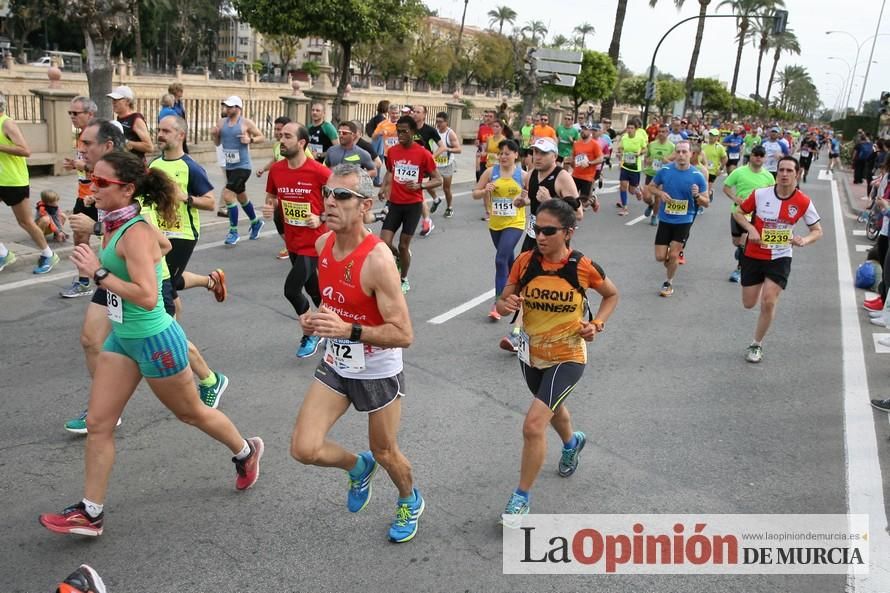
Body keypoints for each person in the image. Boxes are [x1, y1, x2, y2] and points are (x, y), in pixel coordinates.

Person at [39, 151, 263, 538]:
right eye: (93, 179)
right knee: (98, 423)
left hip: (155, 339)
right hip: (123, 338)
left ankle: (246, 452)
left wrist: (98, 272)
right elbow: (163, 244)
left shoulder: (133, 230)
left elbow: (145, 295)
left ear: (126, 189)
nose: (93, 188)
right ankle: (90, 514)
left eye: (101, 183)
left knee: (192, 413)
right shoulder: (119, 222)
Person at [290, 163, 423, 543]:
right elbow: (336, 304)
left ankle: (409, 498)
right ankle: (356, 466)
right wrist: (315, 320)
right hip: (336, 362)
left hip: (377, 370)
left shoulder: (378, 260)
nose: (330, 201)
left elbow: (404, 333)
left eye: (342, 196)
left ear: (364, 206)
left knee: (385, 451)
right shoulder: (323, 245)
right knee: (304, 448)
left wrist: (349, 330)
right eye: (328, 193)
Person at [495, 198, 618, 525]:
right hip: (532, 354)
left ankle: (521, 498)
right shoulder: (525, 261)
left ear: (568, 232)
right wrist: (506, 302)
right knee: (552, 409)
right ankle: (571, 442)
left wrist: (597, 325)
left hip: (568, 354)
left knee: (533, 422)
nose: (540, 236)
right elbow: (504, 295)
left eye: (548, 231)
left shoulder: (582, 266)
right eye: (536, 228)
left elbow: (612, 294)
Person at [733, 156, 822, 363]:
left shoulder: (803, 201)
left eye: (789, 171)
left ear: (797, 174)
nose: (784, 174)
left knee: (769, 301)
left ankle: (756, 344)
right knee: (748, 303)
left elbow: (817, 230)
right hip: (754, 254)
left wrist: (804, 240)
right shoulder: (760, 194)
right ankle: (759, 325)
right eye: (781, 170)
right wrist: (751, 227)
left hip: (780, 255)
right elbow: (739, 213)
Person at [262, 122, 331, 358]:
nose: (282, 140)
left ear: (302, 143)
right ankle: (333, 324)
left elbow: (341, 200)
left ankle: (311, 332)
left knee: (291, 290)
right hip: (292, 241)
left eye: (288, 136)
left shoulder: (319, 171)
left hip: (314, 242)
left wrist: (321, 216)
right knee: (313, 290)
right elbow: (272, 196)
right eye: (281, 136)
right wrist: (271, 207)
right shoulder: (277, 170)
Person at [377, 115, 442, 294]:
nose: (401, 135)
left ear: (413, 132)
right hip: (395, 204)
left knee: (404, 245)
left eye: (405, 131)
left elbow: (438, 180)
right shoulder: (393, 151)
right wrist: (383, 188)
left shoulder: (423, 154)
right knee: (384, 242)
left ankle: (403, 278)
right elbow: (390, 172)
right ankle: (398, 257)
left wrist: (421, 185)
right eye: (398, 132)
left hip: (413, 206)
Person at [0, 93, 58, 274]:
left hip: (13, 181)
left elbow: (25, 150)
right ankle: (4, 254)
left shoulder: (6, 123)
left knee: (24, 222)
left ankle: (49, 254)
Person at [473, 139, 528, 320]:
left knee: (500, 259)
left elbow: (533, 198)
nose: (503, 156)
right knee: (509, 262)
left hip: (515, 223)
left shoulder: (523, 175)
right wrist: (484, 190)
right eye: (501, 153)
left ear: (515, 155)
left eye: (507, 153)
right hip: (495, 225)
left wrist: (525, 200)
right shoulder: (491, 172)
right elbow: (475, 193)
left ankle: (498, 302)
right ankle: (519, 289)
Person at [649, 141, 709, 297]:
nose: (681, 155)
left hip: (684, 220)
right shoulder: (665, 170)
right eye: (678, 152)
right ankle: (672, 261)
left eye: (684, 152)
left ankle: (668, 282)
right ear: (675, 153)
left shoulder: (697, 175)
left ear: (691, 154)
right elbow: (651, 187)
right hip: (665, 218)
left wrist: (697, 195)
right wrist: (660, 193)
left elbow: (707, 202)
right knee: (660, 257)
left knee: (674, 255)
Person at [212, 95, 265, 245]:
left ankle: (233, 232)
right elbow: (217, 143)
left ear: (238, 108)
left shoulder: (246, 123)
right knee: (241, 196)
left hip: (243, 166)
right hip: (230, 166)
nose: (227, 109)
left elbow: (262, 137)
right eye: (226, 107)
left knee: (228, 195)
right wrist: (214, 135)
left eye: (230, 107)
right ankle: (255, 222)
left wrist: (251, 140)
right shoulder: (221, 122)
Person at [61, 96, 100, 296]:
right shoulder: (81, 135)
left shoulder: (95, 136)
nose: (72, 117)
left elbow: (103, 163)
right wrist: (77, 166)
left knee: (107, 237)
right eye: (70, 113)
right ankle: (84, 280)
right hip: (83, 194)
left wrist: (82, 166)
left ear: (90, 114)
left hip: (98, 195)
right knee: (79, 236)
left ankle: (109, 279)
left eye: (76, 113)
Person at [722, 145, 774, 283]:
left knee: (746, 241)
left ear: (765, 158)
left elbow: (772, 196)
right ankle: (740, 250)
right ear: (750, 156)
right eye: (756, 154)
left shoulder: (768, 177)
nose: (758, 157)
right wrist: (735, 198)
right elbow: (726, 188)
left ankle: (739, 269)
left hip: (755, 215)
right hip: (738, 213)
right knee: (737, 242)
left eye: (761, 155)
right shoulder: (739, 172)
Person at [257, 116, 291, 259]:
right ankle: (291, 245)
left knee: (290, 218)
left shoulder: (297, 147)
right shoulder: (277, 146)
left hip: (293, 189)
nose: (277, 132)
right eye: (276, 129)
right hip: (279, 187)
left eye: (280, 130)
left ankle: (294, 246)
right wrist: (264, 169)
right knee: (278, 218)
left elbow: (309, 161)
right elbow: (275, 160)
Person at [642, 123, 676, 226]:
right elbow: (646, 158)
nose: (661, 134)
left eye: (664, 131)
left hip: (662, 175)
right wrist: (648, 161)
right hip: (651, 173)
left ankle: (655, 216)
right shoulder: (652, 144)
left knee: (657, 197)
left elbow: (673, 162)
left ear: (668, 133)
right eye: (660, 131)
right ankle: (650, 205)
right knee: (646, 196)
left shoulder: (672, 146)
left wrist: (666, 161)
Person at [565, 122, 604, 212]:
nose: (583, 131)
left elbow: (601, 159)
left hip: (587, 177)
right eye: (582, 129)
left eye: (586, 129)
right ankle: (573, 221)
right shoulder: (576, 144)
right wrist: (569, 162)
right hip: (575, 175)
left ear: (590, 131)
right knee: (572, 200)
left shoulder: (594, 144)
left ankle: (593, 200)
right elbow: (573, 159)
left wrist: (590, 163)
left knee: (584, 203)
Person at [107, 86, 152, 162]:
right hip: (124, 164)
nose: (113, 102)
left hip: (136, 166)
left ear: (128, 101)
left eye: (117, 99)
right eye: (113, 100)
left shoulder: (136, 119)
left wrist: (129, 143)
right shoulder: (119, 118)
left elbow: (149, 147)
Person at [613, 118, 647, 216]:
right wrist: (620, 153)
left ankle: (637, 191)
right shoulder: (624, 138)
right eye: (628, 128)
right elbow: (620, 148)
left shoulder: (640, 138)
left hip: (635, 168)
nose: (629, 130)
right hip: (625, 166)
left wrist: (640, 153)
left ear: (635, 129)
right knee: (623, 186)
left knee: (631, 191)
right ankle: (625, 208)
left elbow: (645, 149)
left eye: (632, 128)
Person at [433, 111, 461, 219]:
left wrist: (447, 149)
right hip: (435, 164)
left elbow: (459, 149)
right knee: (429, 186)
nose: (438, 124)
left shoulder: (450, 133)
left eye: (440, 122)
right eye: (437, 121)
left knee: (446, 188)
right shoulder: (434, 132)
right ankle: (436, 199)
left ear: (446, 122)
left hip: (447, 164)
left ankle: (449, 207)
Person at [702, 128, 728, 198]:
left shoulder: (719, 147)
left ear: (717, 137)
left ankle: (709, 193)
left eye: (713, 135)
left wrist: (721, 169)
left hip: (713, 171)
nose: (711, 137)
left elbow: (725, 158)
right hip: (703, 169)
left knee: (707, 189)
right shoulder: (703, 145)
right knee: (702, 188)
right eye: (710, 135)